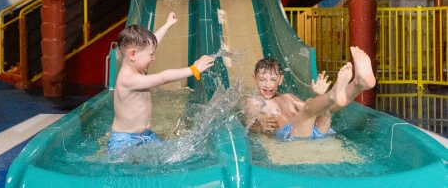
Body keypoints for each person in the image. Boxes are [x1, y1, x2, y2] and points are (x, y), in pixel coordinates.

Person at [108, 12, 215, 153]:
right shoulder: (128, 79)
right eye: (150, 55)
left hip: (146, 135)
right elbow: (163, 77)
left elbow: (151, 45)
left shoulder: (136, 66)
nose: (153, 58)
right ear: (132, 54)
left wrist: (168, 24)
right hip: (124, 140)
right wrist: (193, 69)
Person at [244, 46, 376, 141]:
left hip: (314, 131)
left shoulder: (288, 97)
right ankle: (335, 93)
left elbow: (314, 110)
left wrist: (320, 96)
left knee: (325, 110)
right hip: (290, 136)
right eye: (262, 80)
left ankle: (358, 84)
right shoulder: (253, 101)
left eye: (273, 79)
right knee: (308, 106)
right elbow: (247, 125)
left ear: (280, 80)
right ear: (254, 79)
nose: (267, 85)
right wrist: (261, 128)